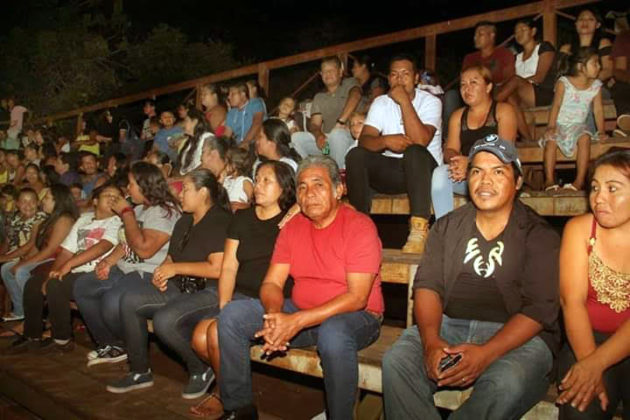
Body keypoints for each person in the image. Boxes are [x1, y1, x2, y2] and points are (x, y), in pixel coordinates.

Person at [382, 135, 561, 420]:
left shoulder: (538, 235)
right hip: (451, 325)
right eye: (476, 171)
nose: (485, 180)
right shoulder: (447, 227)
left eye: (498, 171)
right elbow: (428, 286)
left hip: (517, 336)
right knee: (398, 361)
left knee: (506, 382)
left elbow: (539, 310)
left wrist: (487, 353)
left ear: (517, 183)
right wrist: (431, 342)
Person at [218, 156, 384, 419]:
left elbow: (357, 298)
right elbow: (272, 283)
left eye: (318, 185)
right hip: (303, 313)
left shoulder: (359, 226)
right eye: (302, 187)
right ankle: (239, 409)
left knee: (333, 333)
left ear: (338, 190)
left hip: (356, 318)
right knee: (232, 316)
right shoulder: (293, 227)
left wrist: (295, 321)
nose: (309, 194)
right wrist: (276, 316)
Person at [106, 169, 231, 396]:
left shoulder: (219, 220)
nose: (180, 195)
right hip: (181, 286)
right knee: (130, 300)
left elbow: (218, 269)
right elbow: (172, 256)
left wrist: (174, 269)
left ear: (203, 192)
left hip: (210, 290)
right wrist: (162, 271)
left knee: (165, 320)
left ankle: (200, 369)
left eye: (186, 190)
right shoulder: (184, 220)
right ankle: (139, 371)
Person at [189, 161, 296, 418]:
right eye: (256, 179)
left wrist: (300, 205)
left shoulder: (292, 220)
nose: (257, 186)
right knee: (199, 338)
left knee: (214, 335)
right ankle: (232, 391)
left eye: (266, 181)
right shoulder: (242, 218)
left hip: (272, 299)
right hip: (238, 296)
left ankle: (232, 403)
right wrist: (224, 305)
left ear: (284, 188)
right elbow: (229, 268)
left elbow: (340, 203)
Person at [73, 162, 180, 366]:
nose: (127, 189)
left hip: (147, 274)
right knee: (83, 286)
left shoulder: (165, 212)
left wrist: (126, 213)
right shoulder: (139, 209)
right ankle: (111, 344)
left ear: (144, 185)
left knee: (111, 303)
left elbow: (144, 249)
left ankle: (129, 349)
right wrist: (108, 261)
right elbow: (126, 242)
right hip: (125, 269)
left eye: (131, 184)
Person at [5, 183, 123, 353]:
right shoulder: (84, 219)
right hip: (74, 270)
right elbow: (67, 251)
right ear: (95, 201)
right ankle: (32, 336)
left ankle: (62, 339)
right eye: (108, 195)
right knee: (34, 283)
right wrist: (53, 273)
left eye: (116, 197)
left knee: (55, 285)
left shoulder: (116, 221)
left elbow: (102, 247)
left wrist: (65, 268)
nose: (113, 199)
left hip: (93, 273)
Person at [556, 149, 630, 418]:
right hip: (586, 340)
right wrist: (589, 364)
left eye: (613, 188)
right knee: (580, 407)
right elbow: (571, 302)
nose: (599, 198)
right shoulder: (579, 229)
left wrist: (594, 365)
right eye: (595, 188)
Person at [345, 54, 442, 253]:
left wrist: (405, 102)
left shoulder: (431, 102)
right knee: (355, 155)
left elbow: (420, 141)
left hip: (424, 174)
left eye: (405, 74)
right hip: (394, 173)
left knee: (414, 151)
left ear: (416, 78)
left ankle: (418, 229)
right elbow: (365, 140)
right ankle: (359, 229)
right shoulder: (381, 102)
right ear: (389, 79)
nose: (399, 79)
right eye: (394, 75)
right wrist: (385, 141)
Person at [431, 65, 517, 219]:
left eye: (473, 83)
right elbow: (450, 149)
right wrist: (456, 162)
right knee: (440, 174)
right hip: (468, 175)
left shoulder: (504, 111)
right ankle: (444, 231)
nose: (467, 89)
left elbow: (505, 152)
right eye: (463, 84)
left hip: (497, 173)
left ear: (488, 87)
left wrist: (471, 164)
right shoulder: (458, 116)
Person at [1, 185, 78, 323]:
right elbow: (38, 245)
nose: (43, 201)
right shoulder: (51, 218)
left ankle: (35, 313)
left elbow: (51, 250)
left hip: (58, 260)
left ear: (57, 201)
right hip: (47, 257)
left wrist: (23, 263)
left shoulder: (64, 220)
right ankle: (21, 310)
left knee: (22, 271)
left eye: (47, 198)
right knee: (6, 269)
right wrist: (24, 260)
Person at [541, 47, 607, 192]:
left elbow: (598, 110)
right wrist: (551, 126)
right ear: (580, 67)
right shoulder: (564, 83)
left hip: (578, 125)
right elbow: (556, 105)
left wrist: (601, 131)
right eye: (595, 63)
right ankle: (549, 180)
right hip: (559, 124)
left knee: (585, 138)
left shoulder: (596, 86)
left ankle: (579, 181)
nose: (599, 67)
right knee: (551, 142)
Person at [443, 21, 515, 137]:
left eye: (480, 34)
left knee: (510, 95)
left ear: (492, 35)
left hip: (496, 90)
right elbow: (465, 80)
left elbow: (509, 77)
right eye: (475, 35)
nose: (475, 38)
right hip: (473, 92)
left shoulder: (504, 53)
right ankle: (448, 137)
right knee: (450, 95)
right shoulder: (470, 58)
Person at [291, 56, 362, 169]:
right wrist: (319, 135)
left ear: (340, 72)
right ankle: (309, 172)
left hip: (349, 136)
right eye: (324, 71)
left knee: (337, 134)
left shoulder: (350, 83)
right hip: (328, 143)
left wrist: (341, 122)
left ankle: (339, 177)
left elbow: (356, 96)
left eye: (331, 70)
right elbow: (314, 124)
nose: (327, 73)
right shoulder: (319, 97)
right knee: (296, 138)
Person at [496, 19, 556, 140]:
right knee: (510, 98)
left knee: (514, 81)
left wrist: (516, 82)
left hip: (542, 93)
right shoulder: (516, 57)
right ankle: (528, 139)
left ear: (533, 31)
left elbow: (540, 77)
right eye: (516, 31)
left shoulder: (544, 47)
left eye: (523, 29)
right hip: (521, 95)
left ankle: (490, 106)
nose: (519, 33)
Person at [0, 188, 47, 321]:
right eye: (24, 202)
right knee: (5, 268)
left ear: (38, 203)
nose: (28, 205)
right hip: (16, 255)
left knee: (12, 270)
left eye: (32, 201)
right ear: (17, 204)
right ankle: (20, 310)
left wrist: (5, 258)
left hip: (35, 255)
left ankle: (31, 310)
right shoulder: (15, 218)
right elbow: (7, 242)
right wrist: (2, 255)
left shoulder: (40, 218)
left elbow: (31, 245)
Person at [224, 82, 266, 147]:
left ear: (242, 94)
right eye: (229, 94)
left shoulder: (255, 104)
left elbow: (257, 123)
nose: (229, 97)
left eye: (232, 94)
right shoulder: (231, 113)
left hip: (256, 143)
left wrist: (245, 142)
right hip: (239, 146)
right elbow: (227, 134)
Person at [179, 108, 213, 176]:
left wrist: (185, 177)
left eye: (186, 121)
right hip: (188, 178)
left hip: (198, 178)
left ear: (194, 122)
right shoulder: (190, 141)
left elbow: (206, 164)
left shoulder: (207, 137)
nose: (183, 125)